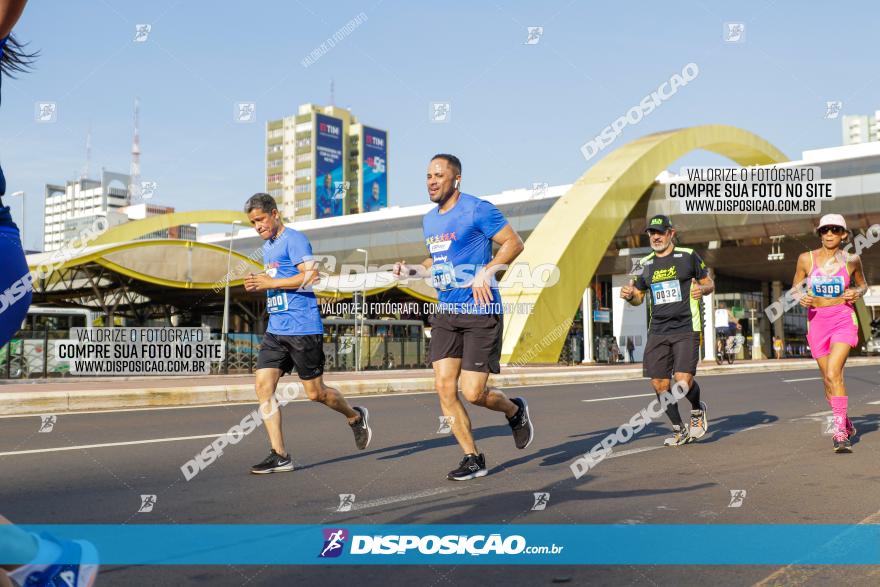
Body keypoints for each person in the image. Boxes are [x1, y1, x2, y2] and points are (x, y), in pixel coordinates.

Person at [393, 154, 534, 481]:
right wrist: (412, 270)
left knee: (473, 393)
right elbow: (434, 260)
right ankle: (472, 457)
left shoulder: (477, 208)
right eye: (428, 175)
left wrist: (487, 272)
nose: (431, 181)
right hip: (446, 311)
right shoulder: (429, 220)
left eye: (438, 175)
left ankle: (514, 410)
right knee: (444, 388)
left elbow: (514, 243)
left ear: (456, 180)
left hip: (479, 310)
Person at [243, 193, 372, 474]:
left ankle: (354, 416)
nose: (258, 227)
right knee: (263, 387)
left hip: (303, 328)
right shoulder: (269, 247)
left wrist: (271, 282)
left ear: (275, 214)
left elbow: (311, 276)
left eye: (261, 220)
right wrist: (262, 285)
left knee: (316, 393)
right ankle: (280, 455)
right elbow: (276, 283)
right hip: (277, 329)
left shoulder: (295, 239)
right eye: (253, 223)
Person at [620, 215, 715, 446]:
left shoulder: (688, 256)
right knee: (659, 384)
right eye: (651, 233)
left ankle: (696, 409)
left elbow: (710, 283)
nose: (655, 237)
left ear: (671, 233)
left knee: (682, 383)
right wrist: (631, 296)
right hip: (658, 329)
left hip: (685, 327)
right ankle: (678, 429)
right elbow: (639, 298)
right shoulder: (645, 264)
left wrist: (702, 290)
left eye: (659, 232)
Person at [789, 213, 867, 453]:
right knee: (828, 380)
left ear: (843, 234)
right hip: (817, 322)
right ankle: (845, 420)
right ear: (820, 234)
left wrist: (857, 292)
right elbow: (794, 288)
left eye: (835, 229)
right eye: (825, 230)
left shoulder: (851, 259)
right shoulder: (806, 259)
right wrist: (800, 297)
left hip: (843, 319)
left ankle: (840, 433)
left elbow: (863, 284)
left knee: (835, 373)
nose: (830, 234)